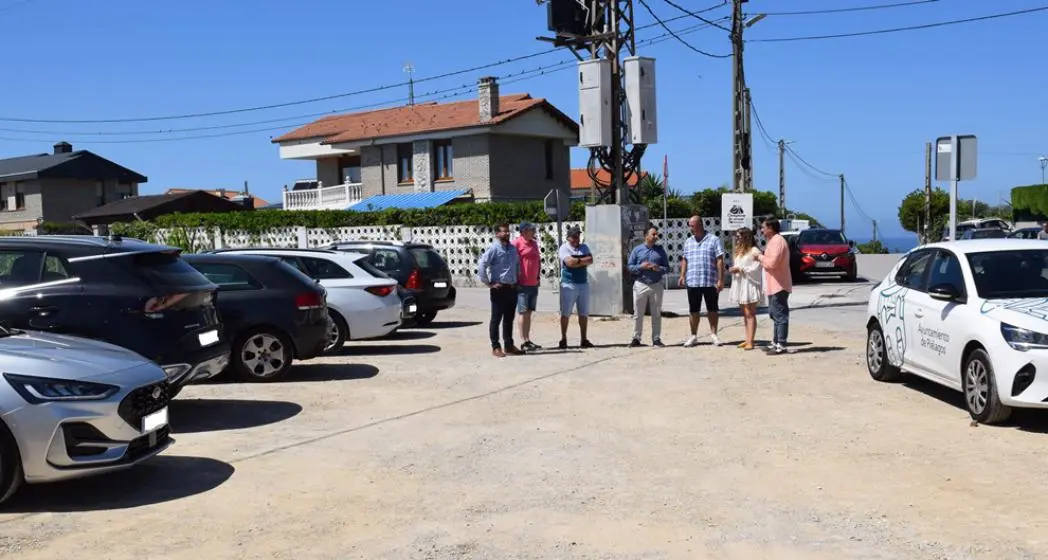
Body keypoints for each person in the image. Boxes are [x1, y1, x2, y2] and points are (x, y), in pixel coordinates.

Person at [678, 215, 725, 347]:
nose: (690, 228)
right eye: (690, 225)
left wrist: (721, 279)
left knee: (713, 309)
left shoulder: (714, 240)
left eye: (692, 225)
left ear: (700, 224)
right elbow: (685, 259)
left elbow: (719, 260)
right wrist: (682, 275)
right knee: (693, 310)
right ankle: (693, 335)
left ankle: (714, 334)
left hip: (710, 281)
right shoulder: (688, 241)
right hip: (693, 281)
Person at [476, 222, 523, 358]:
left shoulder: (513, 249)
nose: (506, 233)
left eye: (507, 231)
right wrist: (489, 283)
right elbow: (482, 265)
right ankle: (495, 347)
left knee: (509, 319)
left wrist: (517, 280)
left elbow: (517, 265)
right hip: (499, 289)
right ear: (497, 234)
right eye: (503, 231)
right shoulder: (493, 249)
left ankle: (509, 345)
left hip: (512, 288)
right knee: (496, 319)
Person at [627, 225, 669, 347]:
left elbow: (667, 268)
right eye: (653, 234)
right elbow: (630, 267)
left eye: (657, 234)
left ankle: (656, 338)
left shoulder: (660, 250)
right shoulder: (637, 250)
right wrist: (641, 267)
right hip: (641, 284)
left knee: (656, 313)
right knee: (638, 313)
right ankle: (636, 338)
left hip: (656, 284)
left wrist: (658, 268)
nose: (656, 236)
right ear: (646, 236)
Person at [757, 218, 793, 354]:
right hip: (773, 284)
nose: (762, 230)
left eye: (763, 227)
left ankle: (781, 344)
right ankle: (776, 342)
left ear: (770, 228)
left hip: (779, 285)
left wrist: (759, 257)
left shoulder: (777, 241)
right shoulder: (773, 241)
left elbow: (772, 263)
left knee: (780, 315)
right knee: (774, 314)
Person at [558, 226, 594, 349]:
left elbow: (590, 260)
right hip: (569, 283)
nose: (576, 238)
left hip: (583, 283)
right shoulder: (564, 248)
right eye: (574, 236)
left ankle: (584, 339)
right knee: (566, 313)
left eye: (578, 236)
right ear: (568, 237)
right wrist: (581, 261)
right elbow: (568, 263)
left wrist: (576, 261)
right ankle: (563, 338)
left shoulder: (584, 247)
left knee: (583, 313)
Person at [728, 227, 764, 350]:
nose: (737, 239)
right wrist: (734, 268)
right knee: (745, 313)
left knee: (750, 313)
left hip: (750, 284)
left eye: (739, 236)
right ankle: (747, 338)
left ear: (746, 237)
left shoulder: (754, 250)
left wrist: (741, 269)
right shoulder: (740, 251)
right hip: (741, 283)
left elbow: (757, 267)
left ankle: (751, 341)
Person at [513, 222, 542, 351]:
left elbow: (538, 260)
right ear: (524, 231)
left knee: (529, 312)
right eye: (531, 230)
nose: (533, 232)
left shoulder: (534, 243)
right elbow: (513, 263)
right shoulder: (517, 243)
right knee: (523, 311)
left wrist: (538, 277)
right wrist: (516, 280)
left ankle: (528, 339)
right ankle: (523, 340)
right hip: (522, 283)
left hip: (533, 283)